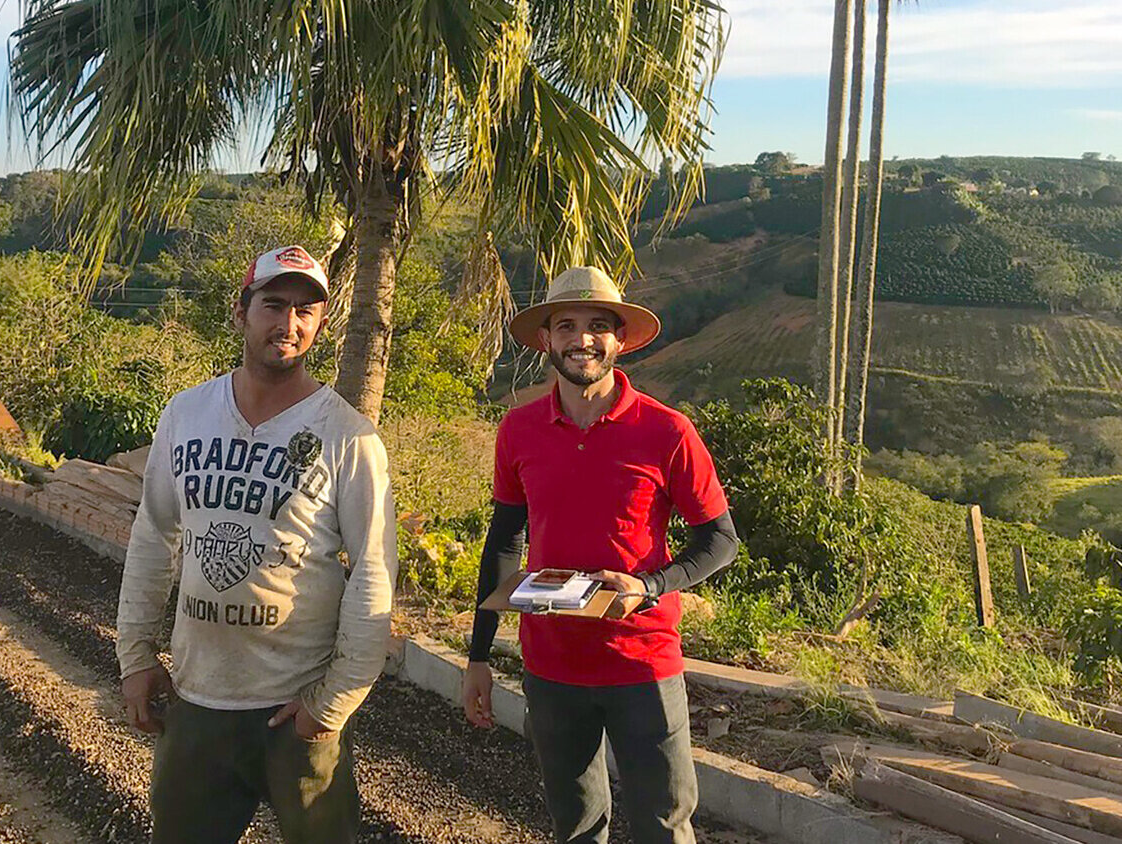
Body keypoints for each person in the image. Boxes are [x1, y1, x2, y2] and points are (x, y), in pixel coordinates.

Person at [116, 244, 397, 844]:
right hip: (198, 700)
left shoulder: (347, 436)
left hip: (296, 709)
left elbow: (373, 571)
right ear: (241, 311)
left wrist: (333, 701)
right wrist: (135, 658)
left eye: (305, 310)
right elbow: (154, 536)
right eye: (274, 304)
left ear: (321, 324)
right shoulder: (187, 414)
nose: (288, 323)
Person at [461, 266, 740, 844]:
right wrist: (479, 656)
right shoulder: (519, 429)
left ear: (619, 340)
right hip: (550, 665)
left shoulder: (667, 431)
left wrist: (650, 586)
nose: (581, 339)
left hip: (642, 661)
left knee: (664, 825)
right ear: (546, 339)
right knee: (576, 825)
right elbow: (505, 540)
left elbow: (720, 540)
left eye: (596, 326)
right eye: (566, 325)